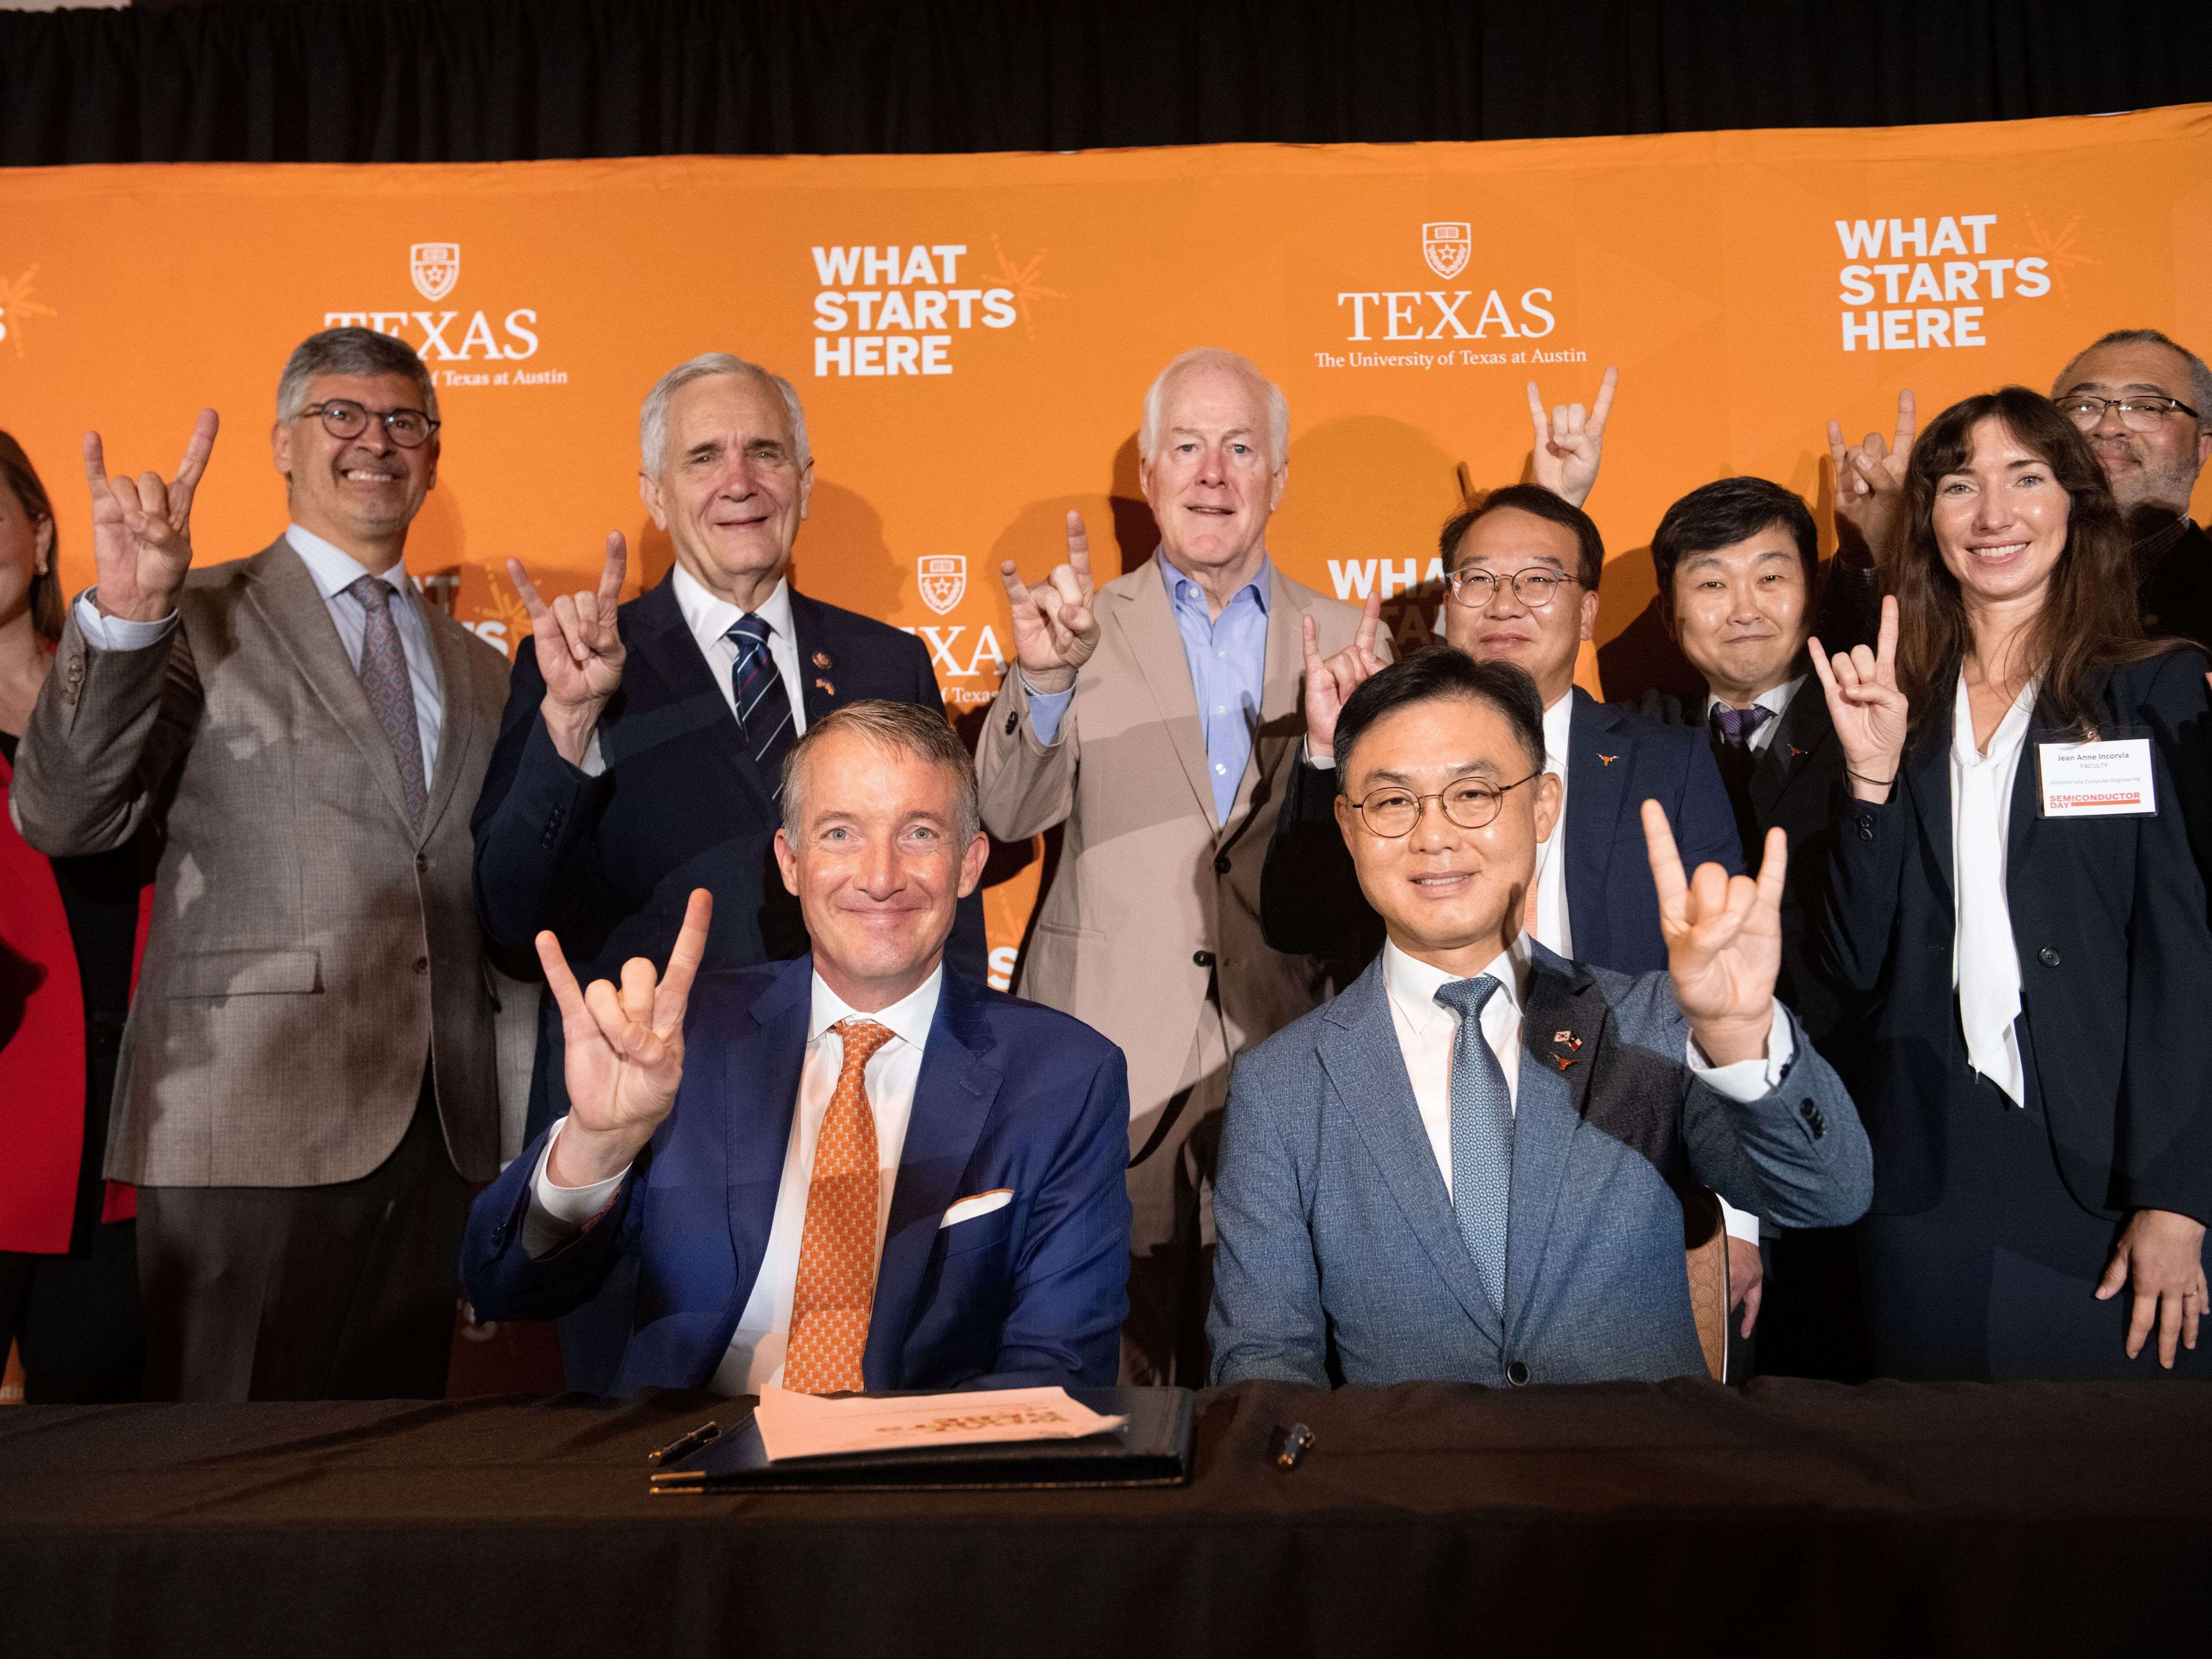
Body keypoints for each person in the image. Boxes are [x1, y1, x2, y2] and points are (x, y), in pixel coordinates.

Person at [12, 327, 513, 1402]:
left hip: (436, 1135)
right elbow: (64, 812)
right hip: (242, 1118)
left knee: (387, 1492)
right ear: (283, 442)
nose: (374, 439)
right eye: (342, 414)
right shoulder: (192, 616)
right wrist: (131, 613)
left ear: (433, 451)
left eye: (403, 420)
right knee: (221, 1489)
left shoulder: (480, 665)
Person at [470, 351, 986, 1391]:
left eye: (763, 450)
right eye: (703, 456)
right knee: (649, 1496)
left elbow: (942, 900)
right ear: (657, 494)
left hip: (869, 1128)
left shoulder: (888, 659)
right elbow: (508, 915)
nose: (737, 479)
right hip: (665, 1154)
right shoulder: (576, 663)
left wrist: (961, 1093)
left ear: (801, 473)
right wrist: (571, 726)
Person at [1208, 649, 1871, 1387]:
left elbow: (1826, 1194)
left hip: (1632, 1486)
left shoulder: (1648, 1022)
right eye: (1395, 802)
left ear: (1545, 803)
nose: (1435, 836)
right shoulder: (1282, 1086)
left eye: (1474, 793)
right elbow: (1262, 1363)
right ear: (1348, 823)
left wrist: (1742, 1036)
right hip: (1407, 1492)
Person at [463, 701, 1131, 1394]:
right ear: (790, 862)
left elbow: (1062, 1373)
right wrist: (598, 1145)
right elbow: (503, 1284)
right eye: (840, 833)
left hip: (919, 1478)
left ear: (970, 864)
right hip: (682, 1469)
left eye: (920, 833)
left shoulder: (1065, 1079)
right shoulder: (678, 1038)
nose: (880, 876)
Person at [1263, 484, 1763, 1340]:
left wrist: (1736, 1219)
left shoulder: (1667, 761)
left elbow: (1726, 979)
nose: (1504, 604)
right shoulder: (1389, 756)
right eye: (1477, 579)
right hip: (1422, 1168)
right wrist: (1323, 751)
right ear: (1445, 604)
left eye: (1538, 580)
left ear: (1589, 606)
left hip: (1630, 1170)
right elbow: (1298, 921)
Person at [977, 347, 1378, 1386]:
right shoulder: (1074, 628)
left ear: (1278, 480)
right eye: (1187, 447)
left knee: (1280, 1383)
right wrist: (1044, 682)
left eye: (1241, 448)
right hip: (1112, 1069)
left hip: (1293, 1055)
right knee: (1112, 1389)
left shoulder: (1351, 638)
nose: (1213, 472)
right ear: (1149, 476)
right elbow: (1002, 812)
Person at [1812, 385, 2212, 1380]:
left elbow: (2187, 959)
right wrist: (1867, 780)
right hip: (1927, 1162)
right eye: (1959, 486)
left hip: (2113, 1161)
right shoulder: (1885, 700)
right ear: (1928, 519)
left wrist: (2180, 1193)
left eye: (2024, 479)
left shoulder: (2150, 691)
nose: (1993, 515)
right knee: (1940, 1493)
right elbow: (1853, 961)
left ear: (2074, 505)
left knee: (2115, 1494)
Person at [0, 433, 148, 1402]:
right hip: (10, 1109)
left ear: (42, 539)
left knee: (104, 1475)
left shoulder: (129, 693)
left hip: (124, 1143)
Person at [1832, 331, 2212, 649]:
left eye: (2147, 406)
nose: (2108, 427)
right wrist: (1873, 555)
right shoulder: (1967, 575)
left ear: (2202, 447)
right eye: (2082, 406)